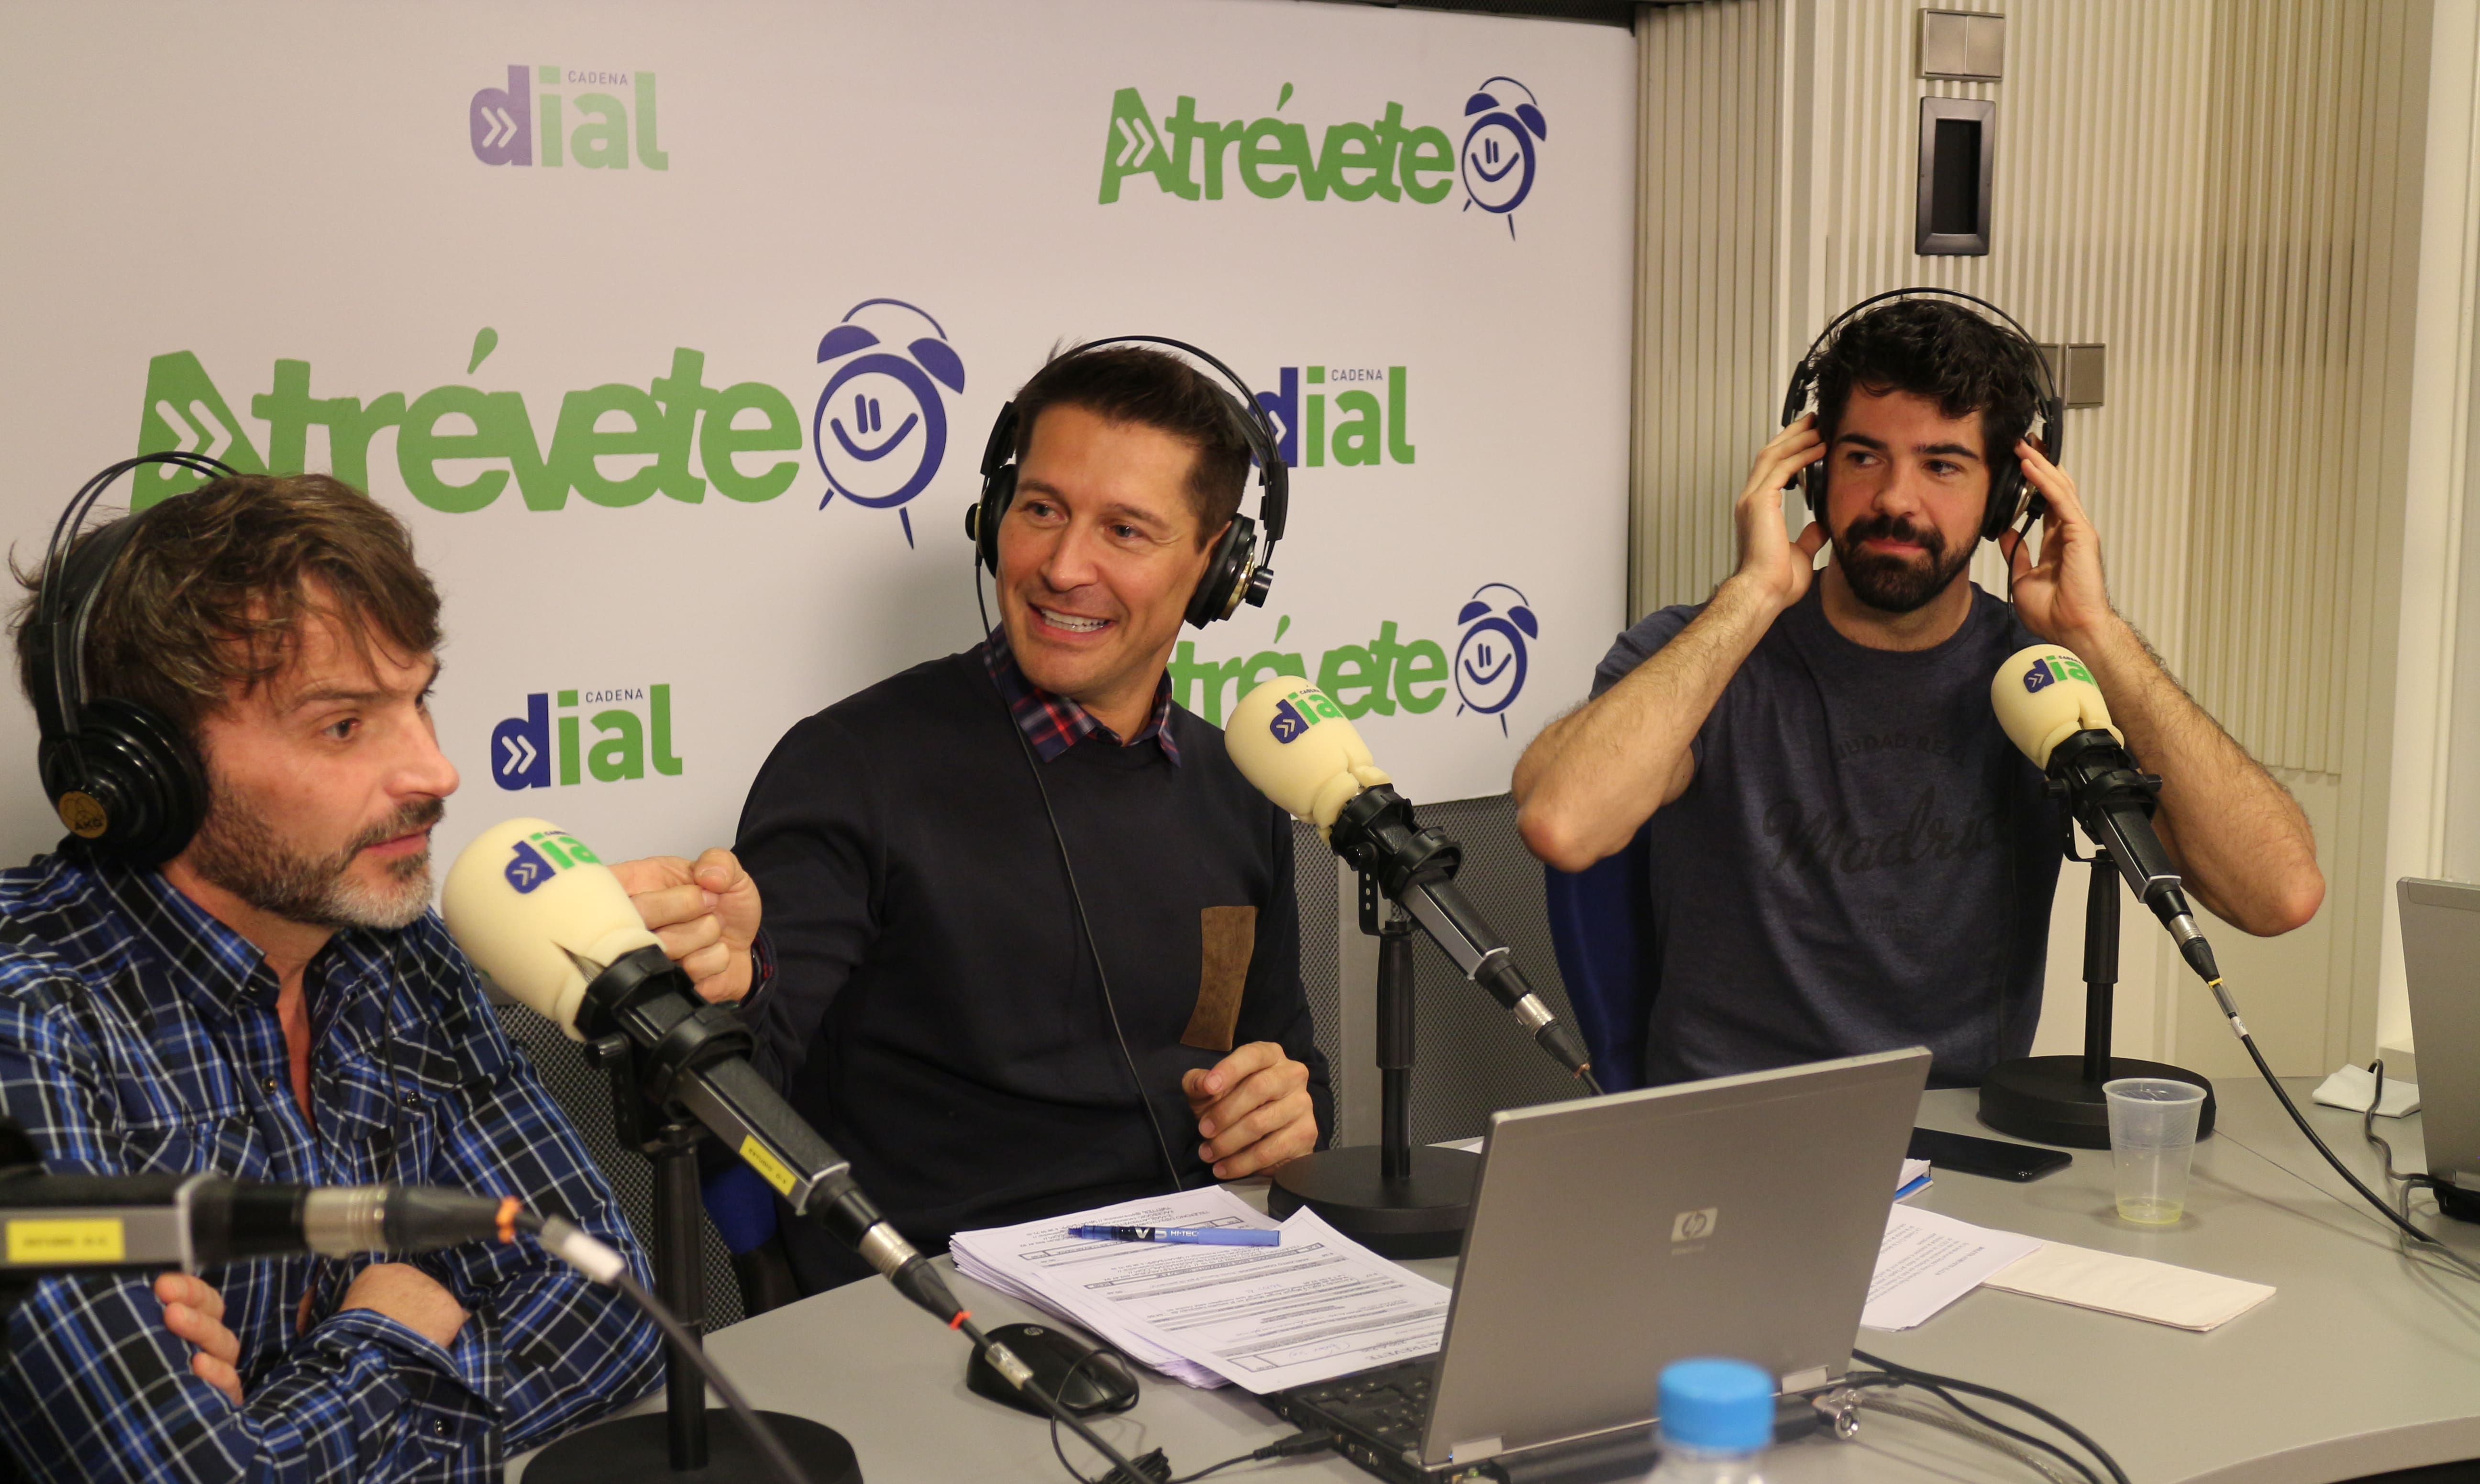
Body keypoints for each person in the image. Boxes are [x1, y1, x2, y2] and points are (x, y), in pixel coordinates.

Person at [0, 469, 724, 1484]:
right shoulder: (29, 1030)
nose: (435, 772)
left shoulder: (398, 953)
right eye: (344, 725)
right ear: (138, 776)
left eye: (417, 701)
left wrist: (279, 1417)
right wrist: (387, 1329)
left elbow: (608, 1306)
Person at [1512, 296, 2323, 1089]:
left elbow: (2278, 895)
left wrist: (2097, 632)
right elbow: (1563, 824)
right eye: (1864, 458)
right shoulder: (1705, 656)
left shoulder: (2046, 679)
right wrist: (1752, 596)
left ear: (2009, 496)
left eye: (1942, 466)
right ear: (1812, 474)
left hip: (1964, 1140)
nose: (1896, 499)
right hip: (1734, 1134)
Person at [726, 343, 1333, 1295]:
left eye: (1125, 531)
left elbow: (1291, 1066)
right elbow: (735, 1084)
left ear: (1218, 566)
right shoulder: (848, 767)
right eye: (1042, 509)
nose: (1062, 566)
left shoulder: (1241, 785)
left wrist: (1287, 1113)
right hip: (942, 1302)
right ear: (995, 515)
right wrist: (726, 987)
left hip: (1204, 1283)